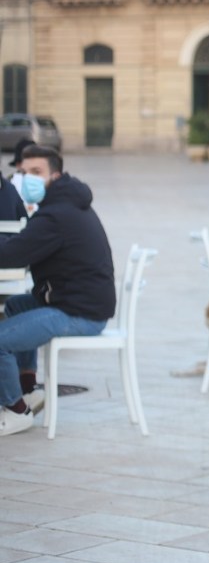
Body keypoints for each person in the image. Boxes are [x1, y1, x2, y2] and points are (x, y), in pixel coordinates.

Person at [0, 145, 115, 436]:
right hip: (80, 303)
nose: (28, 179)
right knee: (14, 306)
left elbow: (12, 255)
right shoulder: (65, 204)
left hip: (80, 313)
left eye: (36, 172)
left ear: (55, 174)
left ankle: (16, 411)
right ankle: (28, 390)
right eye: (24, 172)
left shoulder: (56, 215)